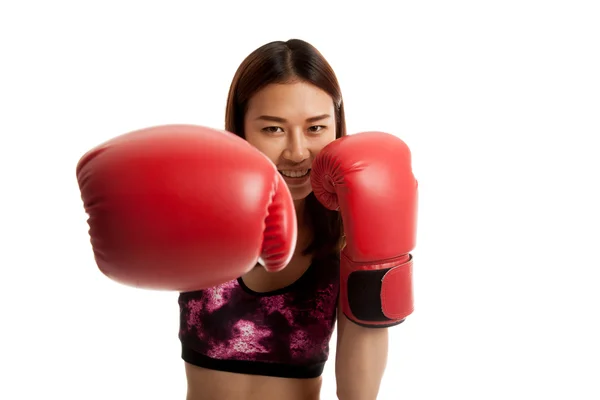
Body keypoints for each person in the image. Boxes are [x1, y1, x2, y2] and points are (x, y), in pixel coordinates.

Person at [76, 39, 417, 400]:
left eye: (315, 128)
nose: (298, 152)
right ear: (241, 129)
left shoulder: (346, 234)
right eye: (273, 129)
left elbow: (356, 395)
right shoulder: (201, 207)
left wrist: (375, 261)